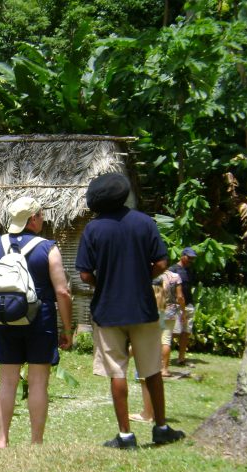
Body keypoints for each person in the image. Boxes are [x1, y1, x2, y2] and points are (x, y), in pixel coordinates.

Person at [75, 172, 185, 449]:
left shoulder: (93, 229)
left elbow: (85, 275)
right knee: (152, 370)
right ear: (124, 194)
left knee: (117, 372)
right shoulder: (143, 222)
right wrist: (141, 275)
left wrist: (106, 280)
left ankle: (125, 435)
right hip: (143, 307)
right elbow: (161, 263)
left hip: (108, 310)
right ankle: (161, 428)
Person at [0, 196, 73, 448]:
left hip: (6, 319)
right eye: (41, 215)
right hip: (39, 319)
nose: (43, 219)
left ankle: (2, 441)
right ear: (32, 219)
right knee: (38, 382)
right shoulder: (48, 247)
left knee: (7, 381)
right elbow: (62, 291)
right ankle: (36, 441)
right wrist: (67, 327)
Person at [129, 271, 184, 422]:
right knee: (150, 380)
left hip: (144, 351)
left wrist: (128, 353)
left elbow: (140, 337)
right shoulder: (160, 309)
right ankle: (150, 411)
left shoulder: (145, 311)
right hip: (153, 349)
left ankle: (147, 414)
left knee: (144, 380)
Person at [170, 247, 197, 366]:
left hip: (189, 304)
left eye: (192, 258)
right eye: (189, 257)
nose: (191, 260)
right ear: (182, 256)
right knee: (173, 333)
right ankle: (162, 359)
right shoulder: (173, 269)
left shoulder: (190, 270)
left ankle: (181, 358)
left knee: (186, 332)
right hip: (176, 305)